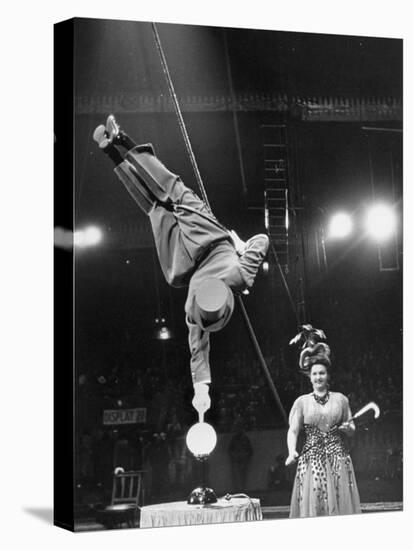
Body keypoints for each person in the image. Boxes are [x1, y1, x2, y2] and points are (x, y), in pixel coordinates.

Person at [93, 115, 269, 417]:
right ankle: (120, 141)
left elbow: (198, 349)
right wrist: (241, 247)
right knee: (171, 189)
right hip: (210, 236)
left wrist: (202, 390)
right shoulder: (240, 276)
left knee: (155, 208)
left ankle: (113, 149)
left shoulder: (196, 309)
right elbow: (262, 241)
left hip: (185, 261)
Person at [285, 325, 361, 517]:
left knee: (340, 509)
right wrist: (291, 451)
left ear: (328, 376)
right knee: (314, 510)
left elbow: (352, 428)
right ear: (309, 377)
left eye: (322, 373)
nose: (318, 377)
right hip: (311, 462)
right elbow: (293, 430)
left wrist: (347, 429)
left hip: (338, 459)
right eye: (315, 374)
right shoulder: (302, 402)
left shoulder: (341, 399)